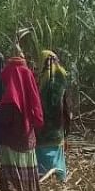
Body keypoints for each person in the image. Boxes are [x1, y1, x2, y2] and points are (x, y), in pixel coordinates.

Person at [0, 43, 44, 191]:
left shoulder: (9, 78)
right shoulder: (27, 73)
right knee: (27, 153)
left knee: (10, 153)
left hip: (11, 132)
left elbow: (5, 116)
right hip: (26, 127)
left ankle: (13, 188)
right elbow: (35, 101)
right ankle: (30, 188)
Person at [36, 50, 72, 182]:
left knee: (43, 154)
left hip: (42, 128)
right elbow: (66, 105)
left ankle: (43, 178)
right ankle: (58, 178)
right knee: (55, 153)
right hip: (57, 127)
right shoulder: (61, 77)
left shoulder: (41, 79)